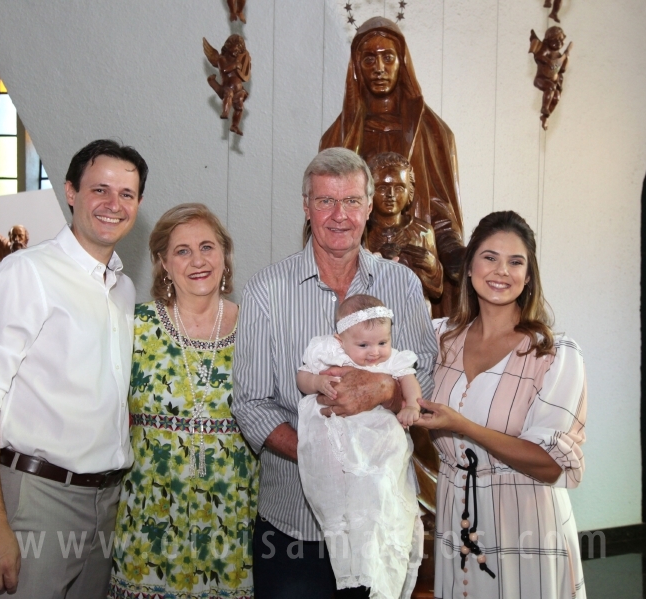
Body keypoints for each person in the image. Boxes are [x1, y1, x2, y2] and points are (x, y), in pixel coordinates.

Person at [233, 147, 437, 599]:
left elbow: (429, 373)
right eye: (325, 201)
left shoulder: (401, 285)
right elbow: (249, 403)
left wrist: (386, 388)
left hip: (380, 515)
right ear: (306, 208)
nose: (338, 215)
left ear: (368, 207)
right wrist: (320, 454)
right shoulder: (267, 290)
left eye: (350, 201)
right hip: (294, 518)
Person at [0, 139, 148, 598]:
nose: (112, 205)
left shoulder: (123, 290)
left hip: (106, 502)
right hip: (38, 498)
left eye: (126, 194)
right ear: (70, 192)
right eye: (100, 189)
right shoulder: (26, 274)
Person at [413, 211, 587, 599]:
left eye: (515, 262)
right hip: (455, 511)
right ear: (470, 265)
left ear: (528, 277)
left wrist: (464, 425)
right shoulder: (439, 339)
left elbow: (551, 462)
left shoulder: (554, 354)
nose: (501, 271)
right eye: (490, 257)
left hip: (525, 518)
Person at [109, 203, 257, 599]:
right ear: (162, 263)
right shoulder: (134, 325)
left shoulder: (257, 329)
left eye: (207, 247)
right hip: (150, 520)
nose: (197, 261)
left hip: (231, 520)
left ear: (225, 256)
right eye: (182, 251)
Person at [319, 16, 465, 317]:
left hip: (418, 282)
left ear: (402, 62)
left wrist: (455, 257)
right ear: (357, 68)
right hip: (355, 285)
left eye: (388, 57)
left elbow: (443, 216)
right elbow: (321, 220)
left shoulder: (432, 133)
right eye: (369, 58)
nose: (379, 68)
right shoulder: (337, 139)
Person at [296, 294, 424, 599]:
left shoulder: (391, 358)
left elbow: (409, 382)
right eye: (364, 346)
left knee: (384, 474)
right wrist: (317, 384)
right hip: (336, 427)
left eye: (382, 342)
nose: (374, 353)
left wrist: (412, 408)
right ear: (341, 340)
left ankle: (377, 552)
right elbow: (302, 377)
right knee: (334, 477)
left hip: (376, 431)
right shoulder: (327, 350)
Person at [366, 152, 443, 302]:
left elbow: (437, 290)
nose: (391, 195)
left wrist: (432, 267)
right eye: (382, 187)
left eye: (399, 188)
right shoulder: (361, 231)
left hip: (414, 312)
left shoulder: (422, 231)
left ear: (410, 191)